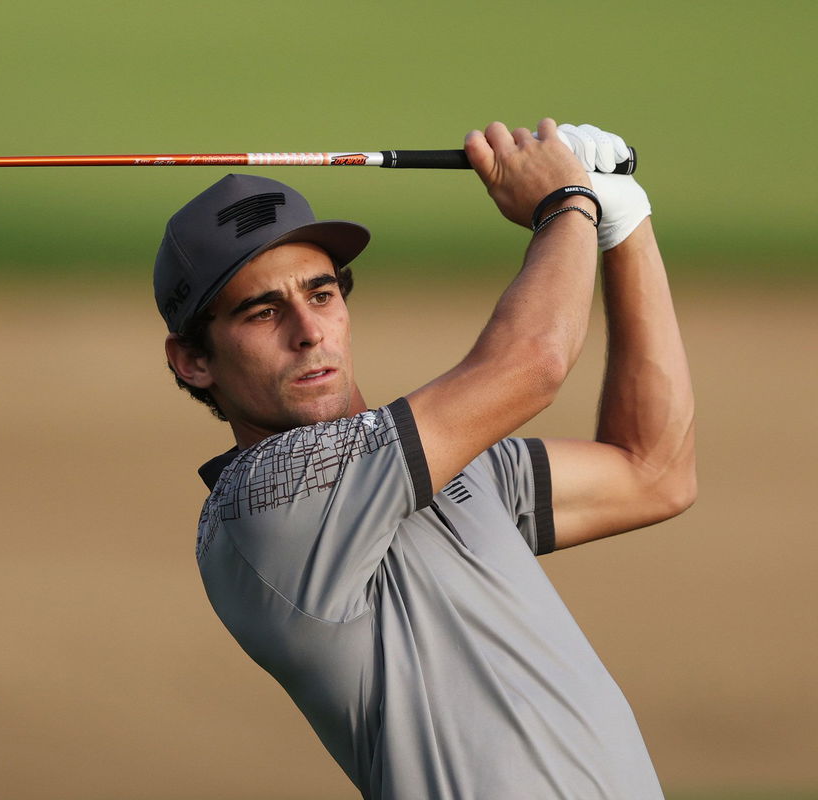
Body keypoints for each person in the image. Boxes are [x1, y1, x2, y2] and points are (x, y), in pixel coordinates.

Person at [152, 119, 696, 799]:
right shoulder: (267, 502)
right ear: (193, 361)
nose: (309, 331)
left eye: (322, 294)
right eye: (263, 312)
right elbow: (534, 366)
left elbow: (653, 473)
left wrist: (626, 226)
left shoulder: (446, 465)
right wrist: (566, 203)